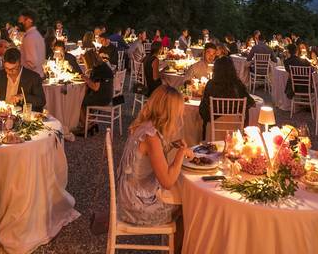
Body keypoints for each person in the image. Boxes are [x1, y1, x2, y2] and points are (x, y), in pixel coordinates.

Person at [116, 85, 187, 227]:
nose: (181, 116)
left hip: (127, 195)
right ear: (170, 113)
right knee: (188, 207)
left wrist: (170, 145)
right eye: (178, 113)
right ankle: (178, 249)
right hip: (136, 206)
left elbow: (145, 158)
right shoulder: (152, 138)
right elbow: (167, 182)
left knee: (181, 199)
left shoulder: (143, 127)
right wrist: (182, 153)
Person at [199, 56, 255, 139]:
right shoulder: (237, 84)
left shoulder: (211, 85)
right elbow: (250, 103)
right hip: (235, 127)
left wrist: (214, 117)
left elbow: (203, 110)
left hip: (215, 126)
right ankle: (243, 137)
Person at [0, 48, 46, 112]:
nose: (10, 72)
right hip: (2, 115)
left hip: (23, 116)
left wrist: (23, 97)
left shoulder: (33, 77)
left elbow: (41, 101)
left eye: (14, 68)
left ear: (20, 63)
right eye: (7, 68)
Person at [74, 49, 115, 136]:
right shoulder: (103, 65)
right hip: (108, 94)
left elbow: (95, 87)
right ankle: (91, 122)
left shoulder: (98, 69)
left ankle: (86, 126)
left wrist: (85, 78)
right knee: (84, 98)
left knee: (79, 101)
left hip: (102, 97)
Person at [17, 9, 45, 78]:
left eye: (22, 21)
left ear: (30, 20)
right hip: (37, 75)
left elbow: (32, 62)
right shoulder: (37, 34)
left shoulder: (30, 37)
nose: (20, 23)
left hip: (31, 77)